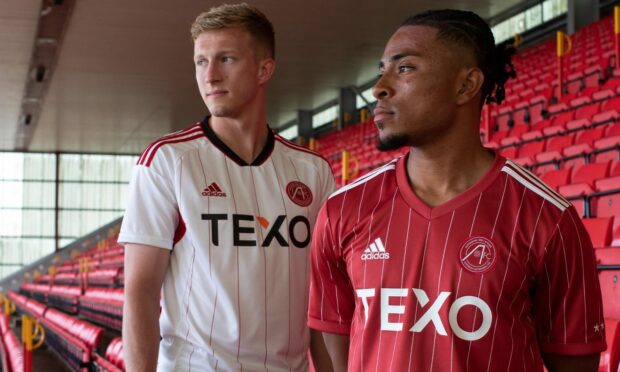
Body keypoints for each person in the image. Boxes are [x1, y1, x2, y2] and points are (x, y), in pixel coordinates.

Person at [308, 9, 606, 372]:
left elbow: (574, 362)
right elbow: (333, 351)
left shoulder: (548, 218)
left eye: (404, 68)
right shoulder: (343, 210)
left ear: (466, 85)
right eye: (381, 69)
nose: (379, 87)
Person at [119, 3, 335, 371]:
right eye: (201, 62)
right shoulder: (167, 161)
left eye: (226, 59)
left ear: (264, 68)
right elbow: (140, 291)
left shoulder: (313, 171)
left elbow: (322, 296)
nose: (210, 75)